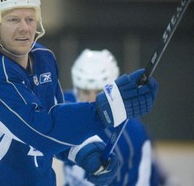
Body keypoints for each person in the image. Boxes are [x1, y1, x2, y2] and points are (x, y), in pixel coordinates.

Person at [0, 0, 158, 186]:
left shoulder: (44, 58)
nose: (24, 28)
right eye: (13, 19)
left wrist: (84, 150)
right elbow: (41, 130)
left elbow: (56, 115)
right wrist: (109, 106)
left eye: (30, 19)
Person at [63, 49, 164, 186]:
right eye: (85, 92)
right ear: (76, 89)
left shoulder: (133, 135)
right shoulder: (65, 108)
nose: (92, 100)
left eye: (99, 92)